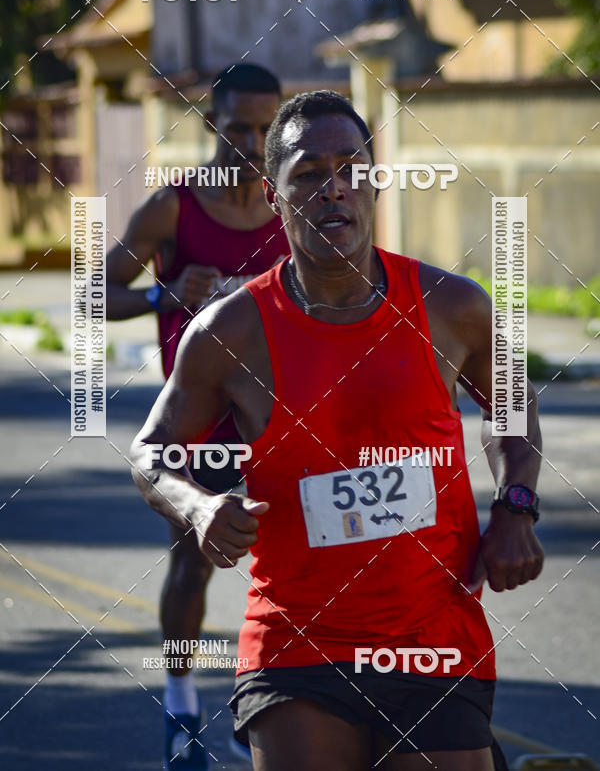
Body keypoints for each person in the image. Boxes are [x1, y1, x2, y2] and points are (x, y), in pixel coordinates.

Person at [130, 90, 544, 770]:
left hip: (433, 637)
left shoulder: (452, 307)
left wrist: (517, 505)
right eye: (308, 174)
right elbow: (152, 452)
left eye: (351, 167)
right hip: (296, 644)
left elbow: (512, 408)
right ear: (273, 192)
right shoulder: (229, 332)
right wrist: (198, 505)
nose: (334, 190)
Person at [106, 63, 289, 769]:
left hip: (281, 419)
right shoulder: (172, 209)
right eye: (239, 126)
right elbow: (97, 293)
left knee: (311, 561)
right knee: (193, 565)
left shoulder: (292, 206)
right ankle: (180, 707)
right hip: (196, 426)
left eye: (268, 128)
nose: (253, 140)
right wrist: (163, 296)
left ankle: (290, 702)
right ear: (212, 124)